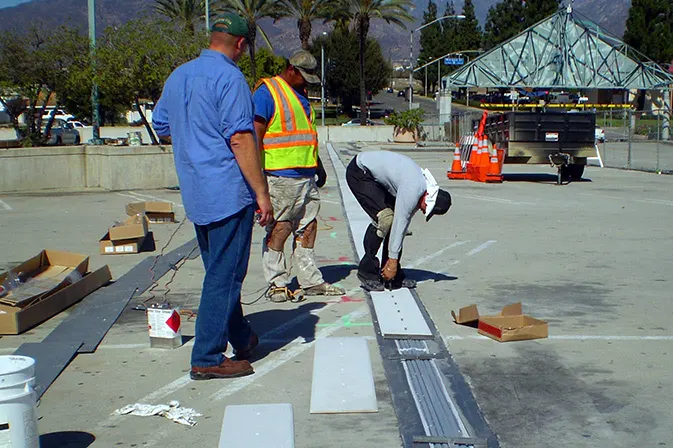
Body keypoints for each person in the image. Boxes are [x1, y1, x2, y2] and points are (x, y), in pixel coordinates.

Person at [152, 13, 273, 380]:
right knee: (225, 277)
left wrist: (195, 143)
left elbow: (162, 126)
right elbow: (240, 138)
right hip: (227, 192)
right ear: (240, 44)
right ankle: (206, 357)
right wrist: (261, 193)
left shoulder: (179, 76)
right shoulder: (231, 78)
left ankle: (242, 336)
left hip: (197, 192)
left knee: (220, 271)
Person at [253, 49, 345, 303]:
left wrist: (318, 165)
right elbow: (255, 134)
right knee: (281, 227)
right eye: (303, 76)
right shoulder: (268, 92)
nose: (306, 82)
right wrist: (257, 178)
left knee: (308, 226)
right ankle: (277, 282)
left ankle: (310, 280)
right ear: (291, 69)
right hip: (281, 176)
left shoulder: (300, 94)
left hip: (306, 175)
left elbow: (306, 134)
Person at [345, 150, 452, 291]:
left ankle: (391, 276)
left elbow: (400, 228)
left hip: (375, 178)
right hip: (360, 172)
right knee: (385, 219)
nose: (424, 211)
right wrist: (393, 262)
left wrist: (392, 264)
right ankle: (367, 272)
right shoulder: (413, 189)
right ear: (428, 197)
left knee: (396, 225)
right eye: (428, 208)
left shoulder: (421, 188)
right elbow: (399, 223)